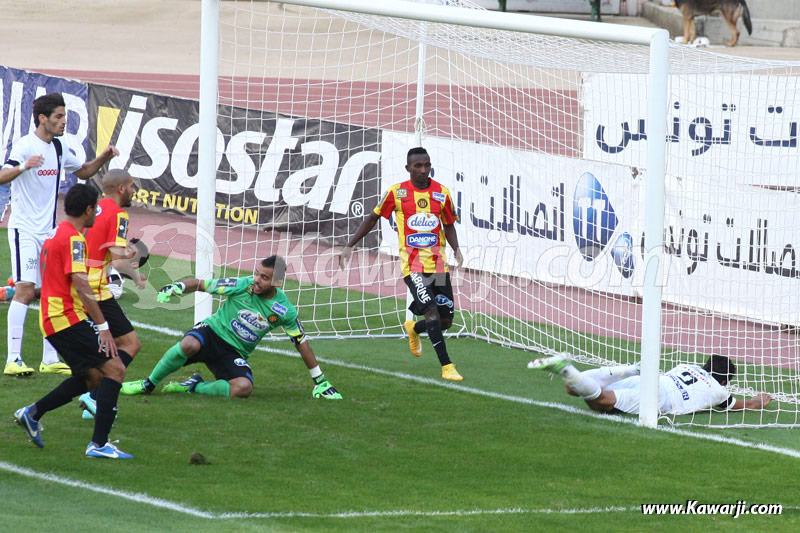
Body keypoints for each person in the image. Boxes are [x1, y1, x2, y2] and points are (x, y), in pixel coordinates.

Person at [0, 93, 119, 376]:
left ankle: (50, 358)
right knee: (26, 290)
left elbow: (84, 170)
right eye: (59, 117)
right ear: (43, 118)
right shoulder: (25, 145)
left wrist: (103, 156)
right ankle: (13, 359)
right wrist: (23, 167)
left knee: (51, 291)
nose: (64, 122)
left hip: (49, 232)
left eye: (64, 116)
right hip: (25, 229)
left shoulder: (60, 147)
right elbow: (2, 176)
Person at [13, 183, 133, 459]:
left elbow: (56, 279)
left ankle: (32, 413)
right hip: (65, 318)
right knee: (115, 369)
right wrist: (103, 327)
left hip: (53, 318)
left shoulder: (57, 233)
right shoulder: (74, 239)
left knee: (92, 376)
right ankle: (99, 445)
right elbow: (81, 284)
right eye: (96, 209)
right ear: (89, 210)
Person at [120, 255, 343, 400]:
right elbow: (200, 284)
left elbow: (301, 342)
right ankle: (148, 384)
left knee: (243, 388)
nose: (256, 280)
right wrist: (177, 286)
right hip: (211, 333)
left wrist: (320, 381)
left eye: (264, 278)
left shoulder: (284, 310)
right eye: (256, 273)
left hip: (233, 353)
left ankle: (193, 386)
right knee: (189, 343)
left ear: (277, 282)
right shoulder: (242, 285)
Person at [339, 147, 464, 381]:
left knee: (445, 321)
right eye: (418, 166)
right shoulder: (397, 194)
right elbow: (373, 217)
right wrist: (351, 245)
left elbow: (448, 224)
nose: (424, 170)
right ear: (408, 168)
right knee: (432, 313)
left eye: (427, 165)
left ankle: (414, 328)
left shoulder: (442, 194)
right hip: (413, 267)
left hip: (439, 267)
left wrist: (456, 249)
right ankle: (447, 366)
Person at [77, 169, 146, 420]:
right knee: (131, 344)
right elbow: (118, 262)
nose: (133, 191)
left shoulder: (94, 209)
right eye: (131, 186)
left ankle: (93, 400)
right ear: (121, 188)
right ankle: (94, 396)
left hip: (78, 285)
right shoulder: (119, 214)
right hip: (95, 290)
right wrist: (137, 277)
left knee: (112, 346)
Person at [529, 353, 772, 416]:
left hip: (650, 379)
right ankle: (566, 368)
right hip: (658, 398)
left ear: (705, 365)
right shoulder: (719, 391)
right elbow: (745, 403)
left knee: (574, 389)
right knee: (599, 403)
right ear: (724, 380)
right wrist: (761, 401)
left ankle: (627, 369)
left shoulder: (686, 366)